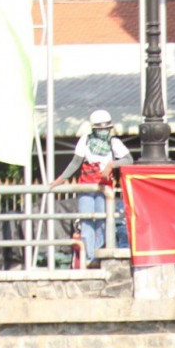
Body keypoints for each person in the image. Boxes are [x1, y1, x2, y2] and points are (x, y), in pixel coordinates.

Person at [53, 110, 130, 263]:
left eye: (106, 128)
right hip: (86, 187)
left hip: (104, 188)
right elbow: (76, 162)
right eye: (101, 128)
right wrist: (59, 180)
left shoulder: (114, 142)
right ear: (94, 128)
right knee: (87, 222)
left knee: (102, 223)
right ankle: (89, 259)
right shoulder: (85, 140)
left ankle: (97, 256)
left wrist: (112, 165)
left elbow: (128, 159)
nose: (104, 131)